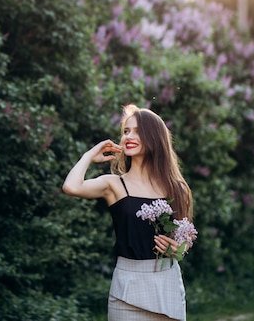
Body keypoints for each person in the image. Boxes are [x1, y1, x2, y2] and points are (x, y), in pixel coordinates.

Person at [62, 104, 194, 321]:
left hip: (167, 284)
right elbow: (71, 187)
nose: (129, 136)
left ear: (154, 137)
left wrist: (179, 249)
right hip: (127, 288)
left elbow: (185, 236)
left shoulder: (176, 188)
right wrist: (89, 154)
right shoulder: (113, 185)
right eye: (126, 131)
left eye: (137, 131)